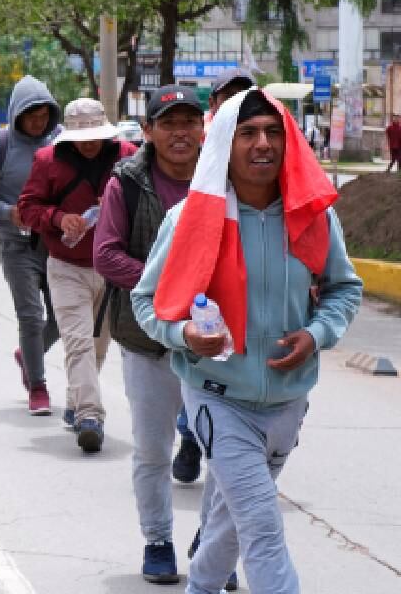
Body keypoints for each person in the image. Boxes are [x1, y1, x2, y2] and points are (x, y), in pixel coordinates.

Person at [132, 88, 361, 594]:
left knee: (229, 525)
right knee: (261, 524)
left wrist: (316, 334)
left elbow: (344, 289)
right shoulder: (189, 219)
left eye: (274, 132)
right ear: (224, 144)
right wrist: (185, 335)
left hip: (288, 402)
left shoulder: (314, 216)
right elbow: (145, 304)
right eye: (249, 132)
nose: (263, 144)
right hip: (218, 399)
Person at [92, 85, 205, 583]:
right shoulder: (127, 184)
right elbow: (106, 254)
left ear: (204, 129)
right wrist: (165, 288)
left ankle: (212, 548)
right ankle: (158, 540)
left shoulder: (225, 178)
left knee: (228, 455)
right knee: (154, 450)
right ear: (149, 132)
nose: (180, 133)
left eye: (189, 122)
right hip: (146, 340)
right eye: (169, 123)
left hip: (216, 344)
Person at [18, 98, 137, 452]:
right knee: (78, 341)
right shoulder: (47, 161)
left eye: (95, 136)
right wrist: (58, 218)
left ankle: (74, 400)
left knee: (99, 346)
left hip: (114, 266)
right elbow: (27, 207)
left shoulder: (128, 155)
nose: (89, 143)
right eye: (81, 136)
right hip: (66, 264)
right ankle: (90, 416)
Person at [0, 76, 62, 416]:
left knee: (64, 316)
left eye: (43, 114)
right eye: (30, 115)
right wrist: (7, 213)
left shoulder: (60, 141)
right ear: (17, 113)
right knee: (31, 317)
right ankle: (37, 385)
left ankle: (29, 353)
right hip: (17, 245)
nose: (38, 122)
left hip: (56, 243)